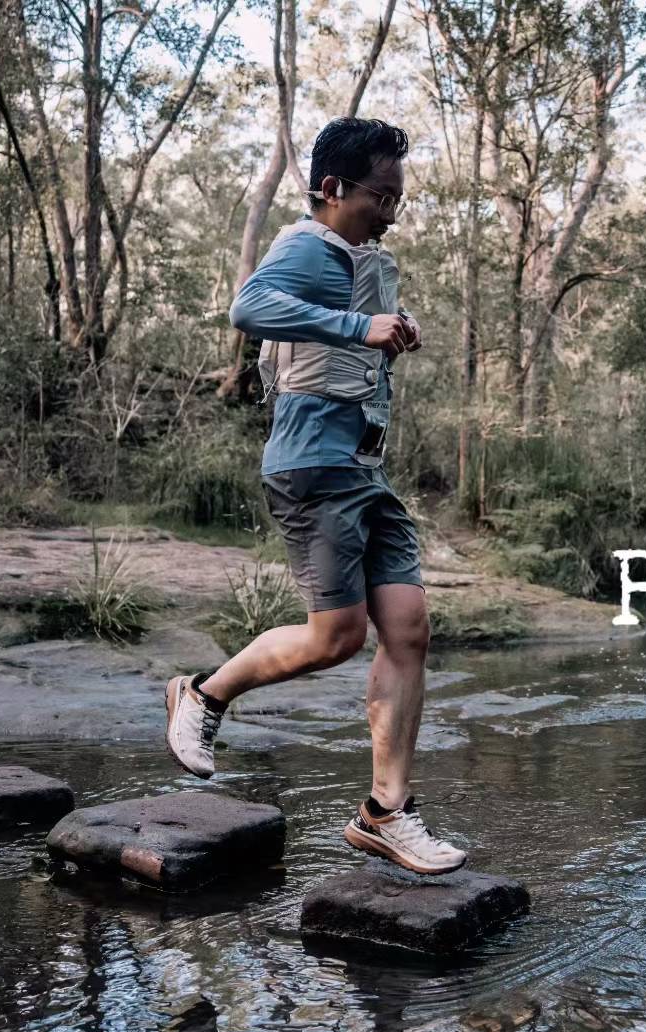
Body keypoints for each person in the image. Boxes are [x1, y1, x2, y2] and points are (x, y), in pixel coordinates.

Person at [163, 117, 467, 876]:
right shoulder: (304, 245)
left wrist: (392, 332)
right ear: (332, 188)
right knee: (337, 638)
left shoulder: (369, 260)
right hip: (313, 465)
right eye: (380, 196)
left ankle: (385, 813)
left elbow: (353, 347)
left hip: (364, 469)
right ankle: (203, 695)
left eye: (397, 198)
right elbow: (248, 309)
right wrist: (358, 327)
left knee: (409, 629)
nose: (390, 211)